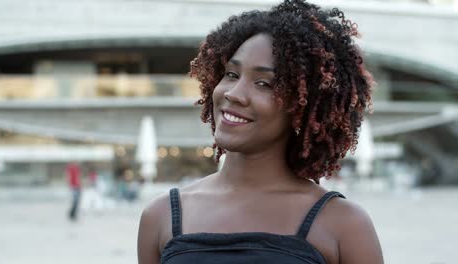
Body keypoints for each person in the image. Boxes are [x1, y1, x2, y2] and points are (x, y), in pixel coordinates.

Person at [138, 0, 383, 263]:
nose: (233, 94)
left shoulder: (344, 225)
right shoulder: (160, 216)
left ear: (304, 104)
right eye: (231, 74)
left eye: (264, 83)